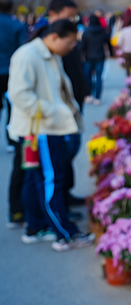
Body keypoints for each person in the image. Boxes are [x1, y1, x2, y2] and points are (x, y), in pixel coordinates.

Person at [8, 19, 94, 251]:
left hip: (43, 128)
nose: (72, 48)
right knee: (51, 181)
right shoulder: (28, 55)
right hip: (42, 130)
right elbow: (18, 94)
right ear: (55, 37)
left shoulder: (49, 53)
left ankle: (35, 227)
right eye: (70, 42)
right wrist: (52, 112)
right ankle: (65, 234)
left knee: (36, 180)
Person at [31, 0, 89, 211]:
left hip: (67, 106)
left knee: (66, 156)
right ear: (53, 16)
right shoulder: (38, 48)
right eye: (69, 16)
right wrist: (51, 111)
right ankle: (48, 215)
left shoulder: (59, 44)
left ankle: (64, 198)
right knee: (48, 169)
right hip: (49, 118)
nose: (73, 20)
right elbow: (21, 93)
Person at [0, 0, 27, 153]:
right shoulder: (17, 25)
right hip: (11, 70)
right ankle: (11, 139)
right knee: (13, 106)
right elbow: (22, 49)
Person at [81, 15, 114, 105]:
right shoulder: (102, 31)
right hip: (100, 56)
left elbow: (83, 45)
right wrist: (111, 54)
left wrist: (81, 55)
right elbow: (108, 43)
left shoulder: (86, 32)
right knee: (99, 77)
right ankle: (97, 97)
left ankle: (88, 95)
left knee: (88, 76)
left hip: (88, 57)